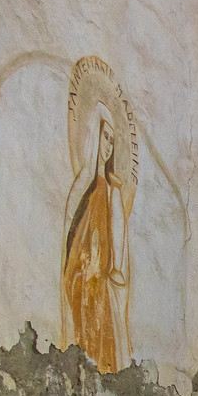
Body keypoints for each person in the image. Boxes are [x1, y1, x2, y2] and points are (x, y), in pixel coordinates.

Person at [62, 105, 132, 372]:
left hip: (102, 286)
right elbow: (75, 240)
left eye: (113, 141)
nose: (109, 147)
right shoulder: (87, 188)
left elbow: (114, 245)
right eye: (105, 137)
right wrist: (84, 269)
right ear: (95, 135)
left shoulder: (110, 190)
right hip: (85, 281)